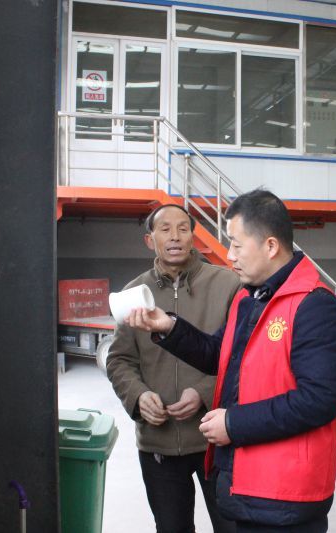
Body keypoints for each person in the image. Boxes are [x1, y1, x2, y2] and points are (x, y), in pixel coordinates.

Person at [125, 189, 336, 533]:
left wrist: (233, 424)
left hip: (286, 494)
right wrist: (168, 326)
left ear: (271, 246)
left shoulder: (315, 306)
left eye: (236, 244)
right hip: (248, 482)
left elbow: (319, 400)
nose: (229, 255)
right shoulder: (251, 298)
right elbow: (220, 354)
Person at [106, 203, 241, 533]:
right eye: (165, 229)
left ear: (193, 237)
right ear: (150, 240)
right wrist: (138, 397)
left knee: (233, 527)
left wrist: (206, 392)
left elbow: (240, 357)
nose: (175, 236)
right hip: (159, 445)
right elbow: (119, 359)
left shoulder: (228, 285)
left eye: (183, 228)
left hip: (217, 441)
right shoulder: (132, 295)